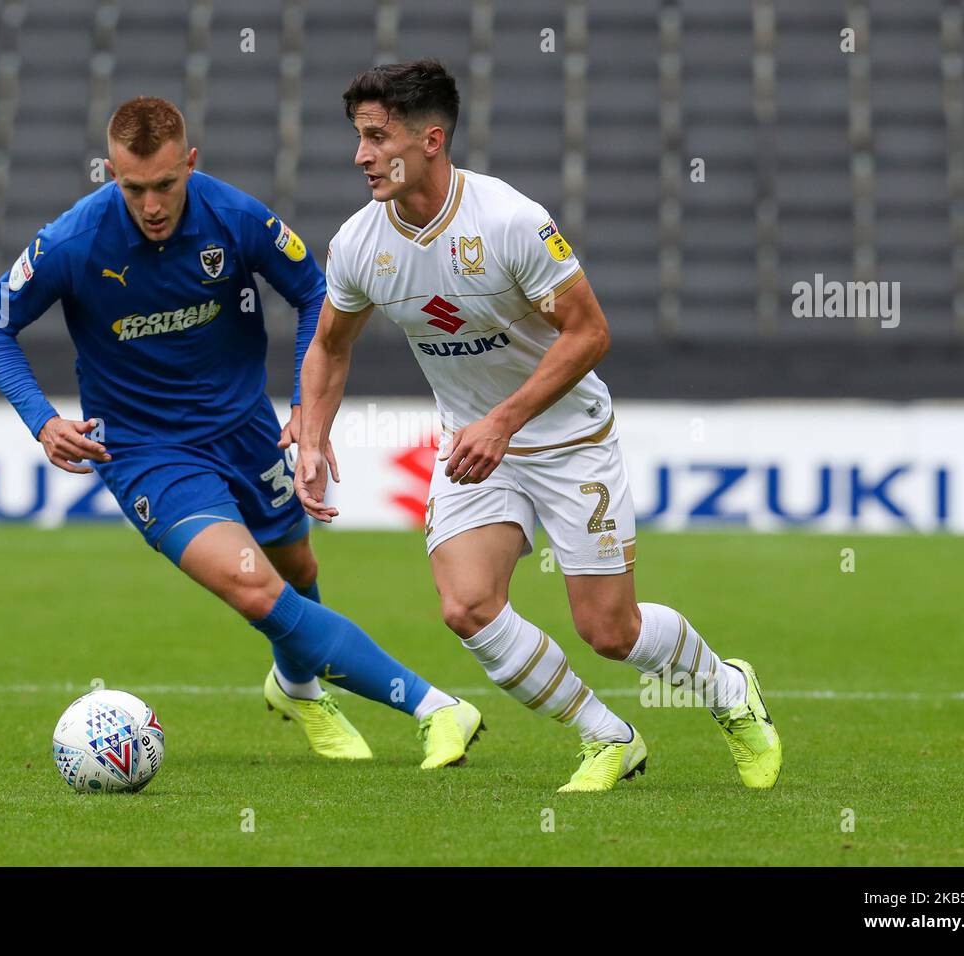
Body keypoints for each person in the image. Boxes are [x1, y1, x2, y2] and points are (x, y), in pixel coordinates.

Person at [294, 60, 782, 792]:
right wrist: (311, 434)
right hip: (475, 449)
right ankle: (606, 736)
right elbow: (330, 344)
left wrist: (504, 421)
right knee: (466, 605)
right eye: (357, 138)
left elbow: (588, 334)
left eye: (375, 137)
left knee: (608, 632)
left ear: (431, 139)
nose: (360, 155)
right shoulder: (361, 244)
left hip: (567, 438)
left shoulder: (511, 222)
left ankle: (726, 688)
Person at [0, 95, 482, 770]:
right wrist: (44, 422)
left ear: (190, 162)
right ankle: (435, 708)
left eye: (164, 186)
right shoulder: (74, 241)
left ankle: (296, 687)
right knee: (254, 586)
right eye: (132, 189)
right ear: (111, 174)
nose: (151, 206)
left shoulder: (236, 218)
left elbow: (314, 294)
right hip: (150, 454)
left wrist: (304, 402)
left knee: (297, 571)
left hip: (246, 432)